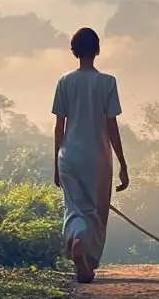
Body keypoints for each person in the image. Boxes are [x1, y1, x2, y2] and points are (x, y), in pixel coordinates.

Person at [51, 26, 128, 283]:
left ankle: (76, 243)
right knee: (95, 212)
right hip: (97, 157)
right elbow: (111, 126)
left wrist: (56, 164)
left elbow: (59, 126)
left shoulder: (65, 82)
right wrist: (122, 163)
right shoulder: (107, 82)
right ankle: (86, 254)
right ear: (97, 50)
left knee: (74, 209)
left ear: (73, 51)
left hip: (69, 157)